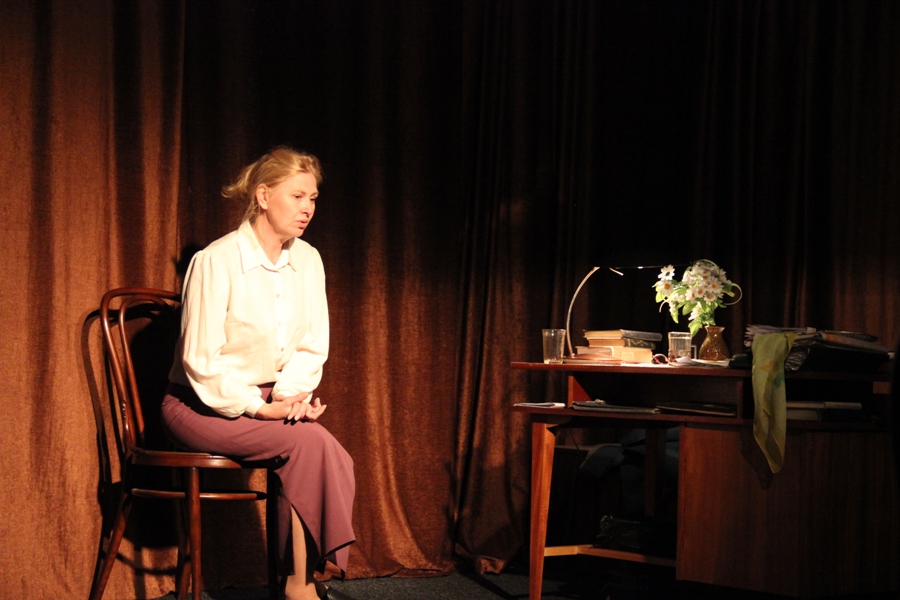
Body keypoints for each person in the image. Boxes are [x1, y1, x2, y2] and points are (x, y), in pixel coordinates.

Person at [162, 147, 355, 600]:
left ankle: (299, 583)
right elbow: (201, 362)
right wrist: (259, 408)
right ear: (263, 196)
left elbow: (312, 344)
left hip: (266, 398)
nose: (308, 208)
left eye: (313, 198)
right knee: (312, 445)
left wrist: (288, 398)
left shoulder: (308, 260)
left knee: (316, 448)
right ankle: (301, 588)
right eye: (297, 196)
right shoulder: (216, 261)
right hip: (198, 404)